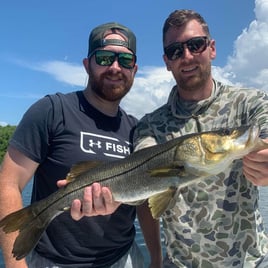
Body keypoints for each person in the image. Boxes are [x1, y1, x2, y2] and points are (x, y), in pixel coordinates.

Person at [0, 22, 145, 267]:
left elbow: (145, 200)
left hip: (126, 258)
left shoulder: (138, 130)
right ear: (87, 65)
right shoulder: (52, 110)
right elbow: (9, 182)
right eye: (105, 57)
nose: (115, 67)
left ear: (135, 69)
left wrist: (156, 258)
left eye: (125, 61)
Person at [134, 9, 268, 268]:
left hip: (249, 262)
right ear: (166, 61)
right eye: (175, 51)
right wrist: (155, 259)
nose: (187, 57)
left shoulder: (250, 103)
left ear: (212, 48)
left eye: (196, 45)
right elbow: (144, 171)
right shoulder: (149, 125)